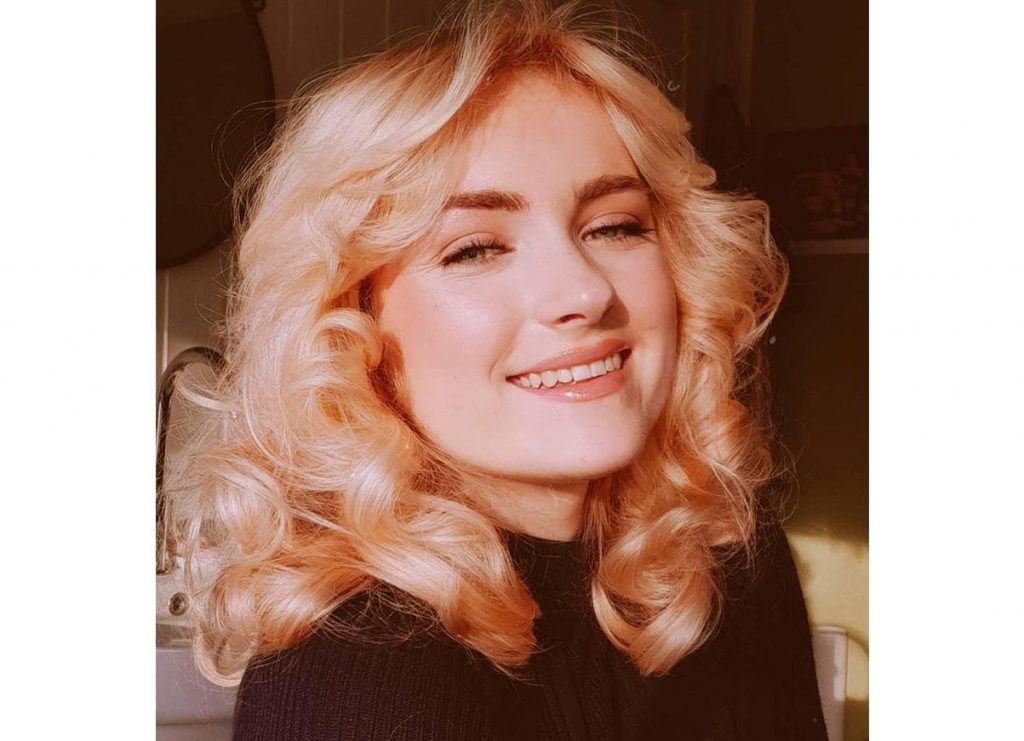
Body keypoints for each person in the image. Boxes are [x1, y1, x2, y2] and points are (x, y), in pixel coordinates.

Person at [174, 1, 827, 738]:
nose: (585, 291)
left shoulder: (726, 559)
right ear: (353, 321)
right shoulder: (358, 678)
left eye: (615, 225)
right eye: (476, 248)